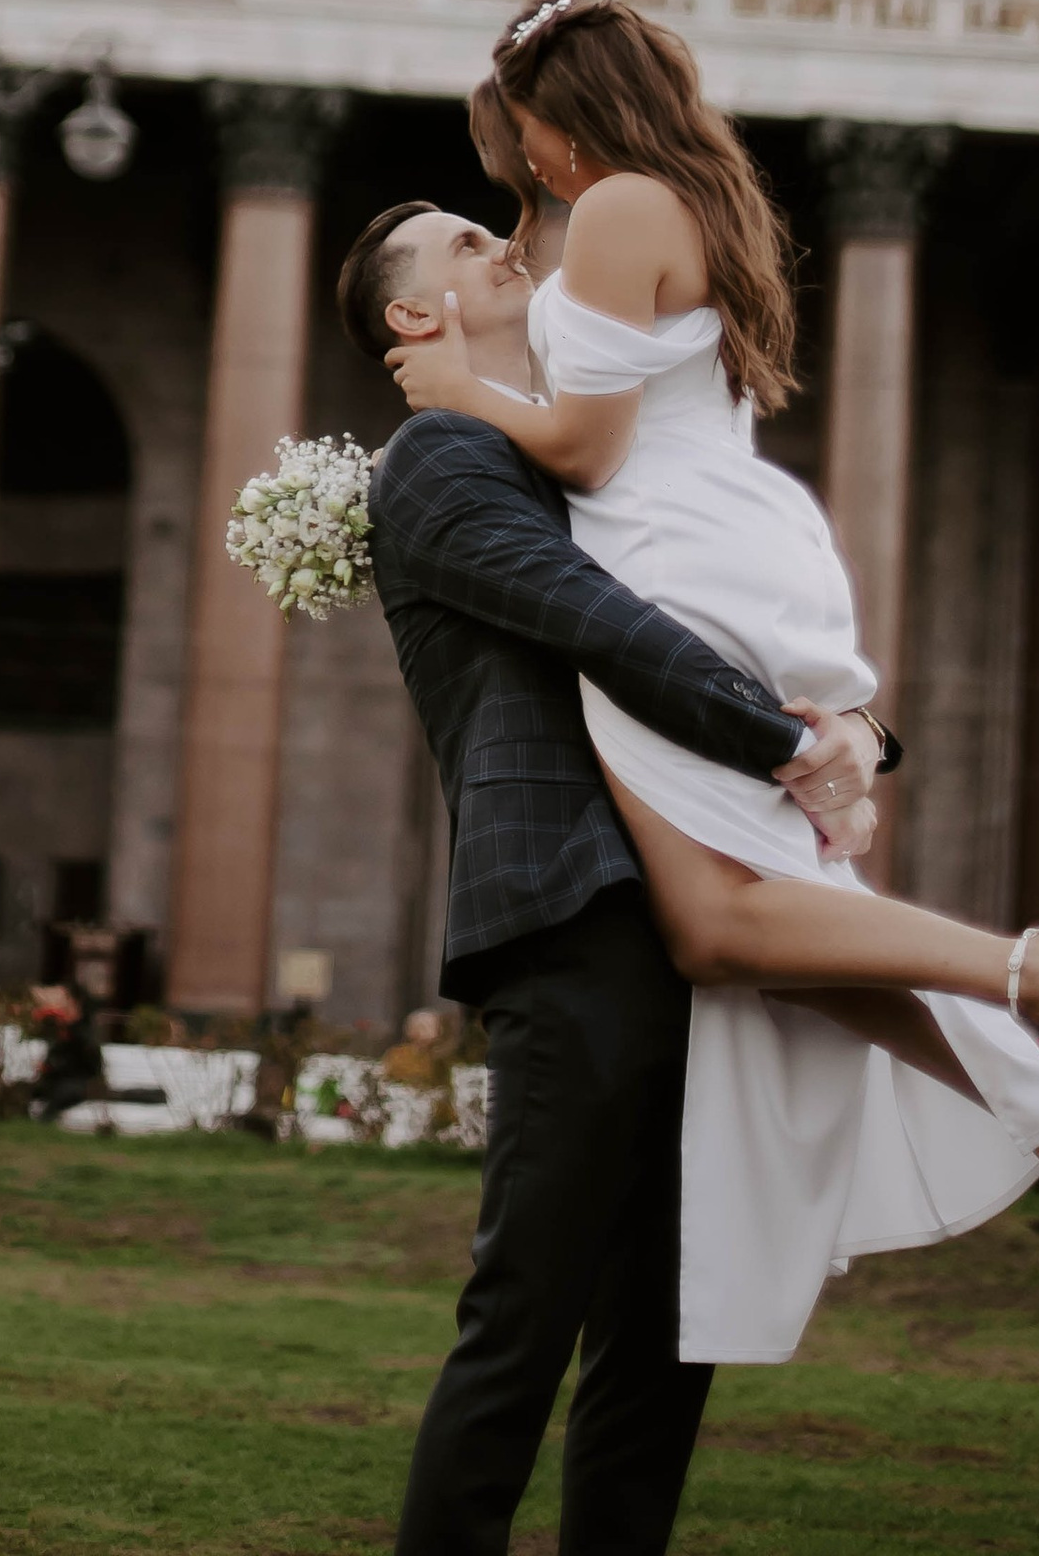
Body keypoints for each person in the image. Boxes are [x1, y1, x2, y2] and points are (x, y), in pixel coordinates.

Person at [374, 0, 1039, 1392]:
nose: (514, 177)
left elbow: (580, 448)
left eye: (513, 138)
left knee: (719, 919)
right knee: (778, 929)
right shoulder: (659, 203)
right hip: (730, 551)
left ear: (564, 108)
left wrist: (454, 389)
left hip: (676, 568)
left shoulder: (628, 205)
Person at [345, 185, 870, 1556]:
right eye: (467, 242)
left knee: (660, 1342)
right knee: (525, 1325)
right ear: (417, 315)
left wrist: (855, 721)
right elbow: (607, 627)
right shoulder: (444, 466)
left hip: (691, 914)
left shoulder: (581, 450)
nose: (506, 243)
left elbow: (728, 608)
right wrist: (790, 747)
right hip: (576, 923)